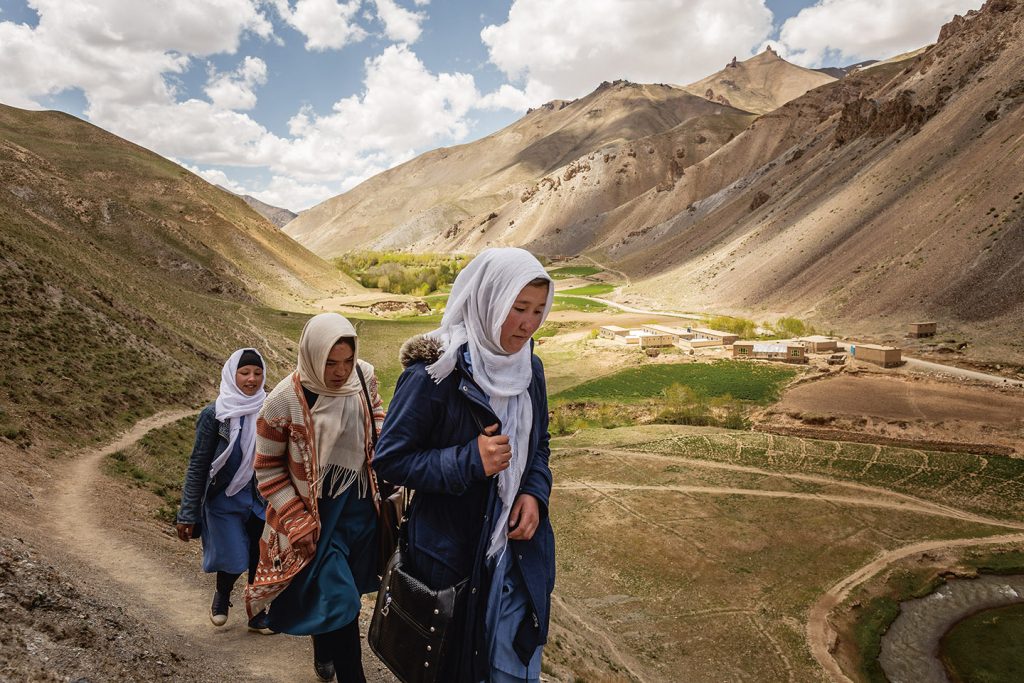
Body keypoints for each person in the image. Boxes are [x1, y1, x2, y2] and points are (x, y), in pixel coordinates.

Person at [373, 247, 556, 683]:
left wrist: (534, 492)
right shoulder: (434, 375)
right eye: (518, 309)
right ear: (489, 300)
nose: (528, 324)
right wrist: (468, 460)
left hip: (515, 556)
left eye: (537, 310)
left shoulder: (531, 369)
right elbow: (390, 461)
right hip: (451, 562)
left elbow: (540, 445)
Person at [245, 313, 384, 683]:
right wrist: (295, 518)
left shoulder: (364, 377)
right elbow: (268, 470)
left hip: (359, 510)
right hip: (317, 515)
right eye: (329, 362)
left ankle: (324, 649)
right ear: (311, 355)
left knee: (345, 593)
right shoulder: (282, 402)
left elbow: (377, 419)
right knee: (342, 600)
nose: (340, 372)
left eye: (347, 361)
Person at [176, 348, 273, 634]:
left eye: (257, 373)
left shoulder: (269, 409)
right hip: (223, 498)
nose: (252, 379)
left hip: (259, 496)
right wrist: (187, 513)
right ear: (232, 375)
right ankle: (222, 595)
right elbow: (198, 465)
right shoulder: (214, 415)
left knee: (259, 555)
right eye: (244, 373)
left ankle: (257, 613)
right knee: (234, 556)